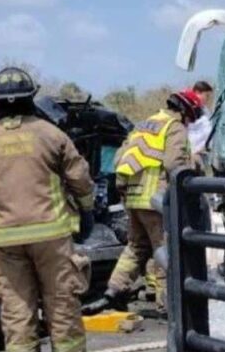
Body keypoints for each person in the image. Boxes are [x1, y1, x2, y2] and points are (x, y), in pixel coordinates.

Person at [0, 67, 96, 352]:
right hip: (51, 233)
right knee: (61, 297)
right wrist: (86, 212)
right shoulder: (51, 135)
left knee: (16, 302)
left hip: (3, 237)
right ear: (31, 97)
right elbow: (79, 177)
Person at [84, 89, 202, 317]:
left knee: (135, 248)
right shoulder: (174, 127)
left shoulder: (143, 125)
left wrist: (124, 191)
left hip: (134, 198)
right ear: (186, 112)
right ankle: (168, 306)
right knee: (165, 250)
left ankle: (112, 292)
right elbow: (173, 163)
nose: (189, 124)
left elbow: (120, 159)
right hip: (156, 201)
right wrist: (194, 167)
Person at [187, 80, 215, 164]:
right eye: (206, 96)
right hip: (193, 154)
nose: (208, 99)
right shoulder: (188, 109)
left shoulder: (204, 109)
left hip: (204, 152)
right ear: (197, 93)